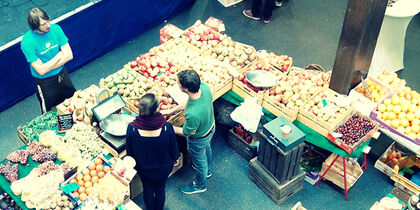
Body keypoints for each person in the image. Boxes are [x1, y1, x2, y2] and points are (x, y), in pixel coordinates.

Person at [161, 70, 215, 194]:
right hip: (210, 127)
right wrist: (171, 111)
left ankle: (200, 185)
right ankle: (208, 171)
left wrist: (169, 127)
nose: (177, 84)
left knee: (199, 161)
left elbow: (187, 132)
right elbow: (189, 102)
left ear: (185, 89)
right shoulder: (204, 87)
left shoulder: (192, 114)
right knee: (207, 147)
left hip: (199, 139)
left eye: (178, 83)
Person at [126, 93, 180, 210]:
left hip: (144, 168)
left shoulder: (132, 128)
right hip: (163, 168)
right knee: (160, 189)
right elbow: (173, 148)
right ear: (156, 109)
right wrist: (175, 159)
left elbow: (129, 153)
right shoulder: (167, 127)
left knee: (148, 189)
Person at [21, 8, 76, 114]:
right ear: (35, 26)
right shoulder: (27, 42)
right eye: (43, 24)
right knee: (49, 113)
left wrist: (47, 66)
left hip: (62, 74)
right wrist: (58, 56)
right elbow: (41, 71)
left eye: (48, 20)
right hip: (45, 82)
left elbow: (69, 55)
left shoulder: (56, 29)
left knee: (73, 102)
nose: (48, 25)